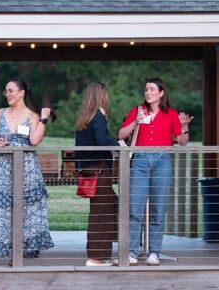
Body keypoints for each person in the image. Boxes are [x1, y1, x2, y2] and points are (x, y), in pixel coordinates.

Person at [0, 79, 54, 268]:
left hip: (26, 170)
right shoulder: (0, 114)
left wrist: (43, 118)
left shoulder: (33, 116)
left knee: (23, 211)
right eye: (5, 91)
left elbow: (34, 140)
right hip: (1, 168)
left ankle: (17, 255)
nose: (7, 94)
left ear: (22, 92)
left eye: (11, 91)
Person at [117, 78, 192, 266]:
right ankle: (132, 252)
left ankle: (154, 252)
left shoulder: (171, 114)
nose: (147, 93)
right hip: (140, 161)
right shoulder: (137, 111)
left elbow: (182, 142)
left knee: (159, 209)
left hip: (162, 161)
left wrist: (184, 128)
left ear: (161, 93)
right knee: (135, 208)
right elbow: (121, 135)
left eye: (151, 89)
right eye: (146, 90)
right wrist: (135, 122)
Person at [75, 82, 118, 266]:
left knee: (110, 206)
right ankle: (95, 257)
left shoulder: (84, 117)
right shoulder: (98, 115)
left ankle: (103, 253)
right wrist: (119, 146)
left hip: (88, 169)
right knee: (101, 213)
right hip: (99, 171)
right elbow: (101, 140)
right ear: (101, 95)